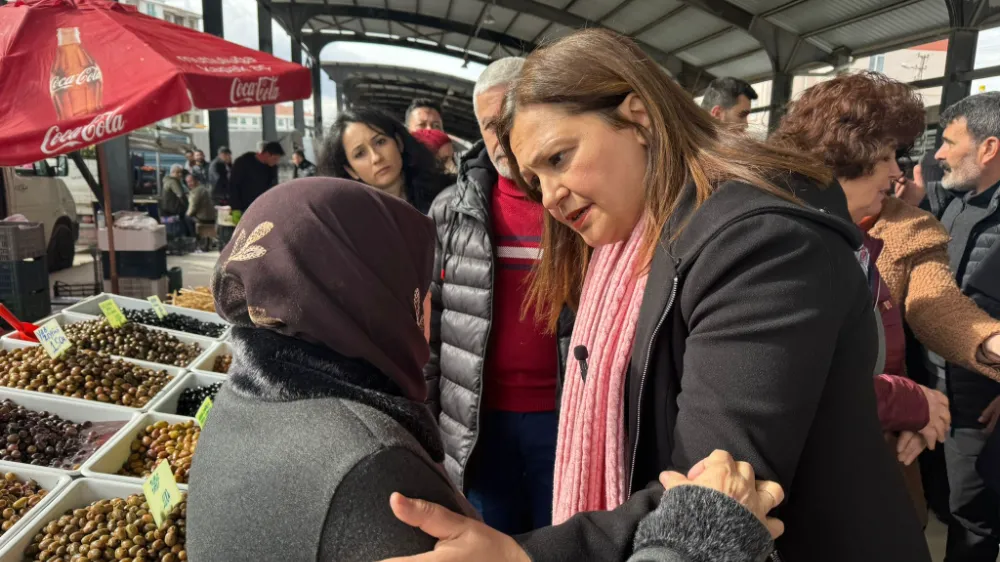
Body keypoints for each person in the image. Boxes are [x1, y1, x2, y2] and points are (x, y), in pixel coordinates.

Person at [393, 29, 931, 561]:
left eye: (558, 158)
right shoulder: (632, 242)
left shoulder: (760, 245)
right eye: (535, 177)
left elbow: (714, 485)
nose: (549, 197)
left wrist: (524, 555)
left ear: (639, 118)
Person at [185, 178, 787, 562]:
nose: (426, 316)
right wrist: (703, 539)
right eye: (417, 291)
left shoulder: (251, 400)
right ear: (362, 295)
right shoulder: (364, 461)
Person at [770, 72, 1000, 525]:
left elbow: (936, 304)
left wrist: (991, 343)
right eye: (887, 155)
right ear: (842, 155)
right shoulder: (773, 225)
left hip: (886, 430)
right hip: (795, 439)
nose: (899, 171)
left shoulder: (910, 227)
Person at [424, 56, 571, 536]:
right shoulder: (452, 209)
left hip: (563, 418)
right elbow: (435, 320)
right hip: (480, 424)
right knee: (491, 538)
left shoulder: (577, 199)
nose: (505, 138)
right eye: (492, 125)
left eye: (514, 120)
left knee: (559, 539)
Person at [917, 92, 1000, 562]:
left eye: (949, 143)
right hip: (931, 388)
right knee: (939, 503)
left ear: (988, 149)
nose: (938, 154)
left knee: (973, 518)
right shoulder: (951, 199)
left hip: (979, 402)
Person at [319, 107, 448, 214]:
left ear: (399, 143)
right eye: (360, 154)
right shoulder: (347, 225)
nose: (376, 157)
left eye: (380, 142)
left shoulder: (446, 198)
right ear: (351, 170)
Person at [229, 141, 283, 213]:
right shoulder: (243, 162)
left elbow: (272, 187)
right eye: (275, 159)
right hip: (244, 207)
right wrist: (235, 207)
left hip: (263, 207)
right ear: (267, 154)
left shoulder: (272, 168)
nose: (276, 162)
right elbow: (234, 185)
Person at [186, 174, 217, 251]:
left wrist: (188, 214)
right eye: (188, 182)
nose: (189, 184)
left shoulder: (196, 191)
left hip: (203, 218)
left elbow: (193, 207)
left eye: (191, 181)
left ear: (196, 181)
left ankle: (194, 240)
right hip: (211, 217)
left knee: (186, 218)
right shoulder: (204, 188)